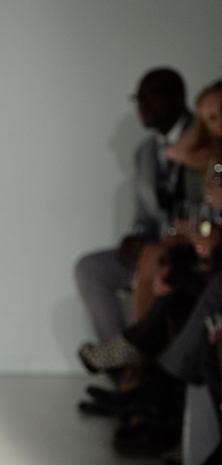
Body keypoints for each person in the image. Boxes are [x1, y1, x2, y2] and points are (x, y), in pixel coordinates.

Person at [74, 68, 196, 344]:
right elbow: (145, 216)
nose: (143, 104)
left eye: (152, 95)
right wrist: (135, 239)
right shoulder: (145, 153)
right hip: (156, 249)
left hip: (190, 250)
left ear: (178, 97)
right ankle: (120, 362)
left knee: (154, 259)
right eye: (138, 98)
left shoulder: (203, 140)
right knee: (90, 269)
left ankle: (136, 356)